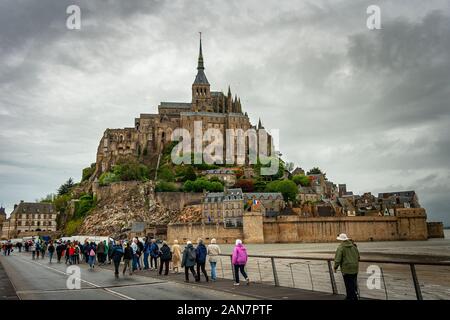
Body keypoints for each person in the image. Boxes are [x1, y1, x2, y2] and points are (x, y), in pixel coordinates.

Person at [334, 233, 360, 300]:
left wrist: (335, 267)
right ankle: (353, 296)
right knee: (353, 283)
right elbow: (358, 257)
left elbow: (337, 259)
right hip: (355, 268)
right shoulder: (354, 246)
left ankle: (351, 297)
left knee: (348, 284)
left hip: (347, 269)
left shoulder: (341, 247)